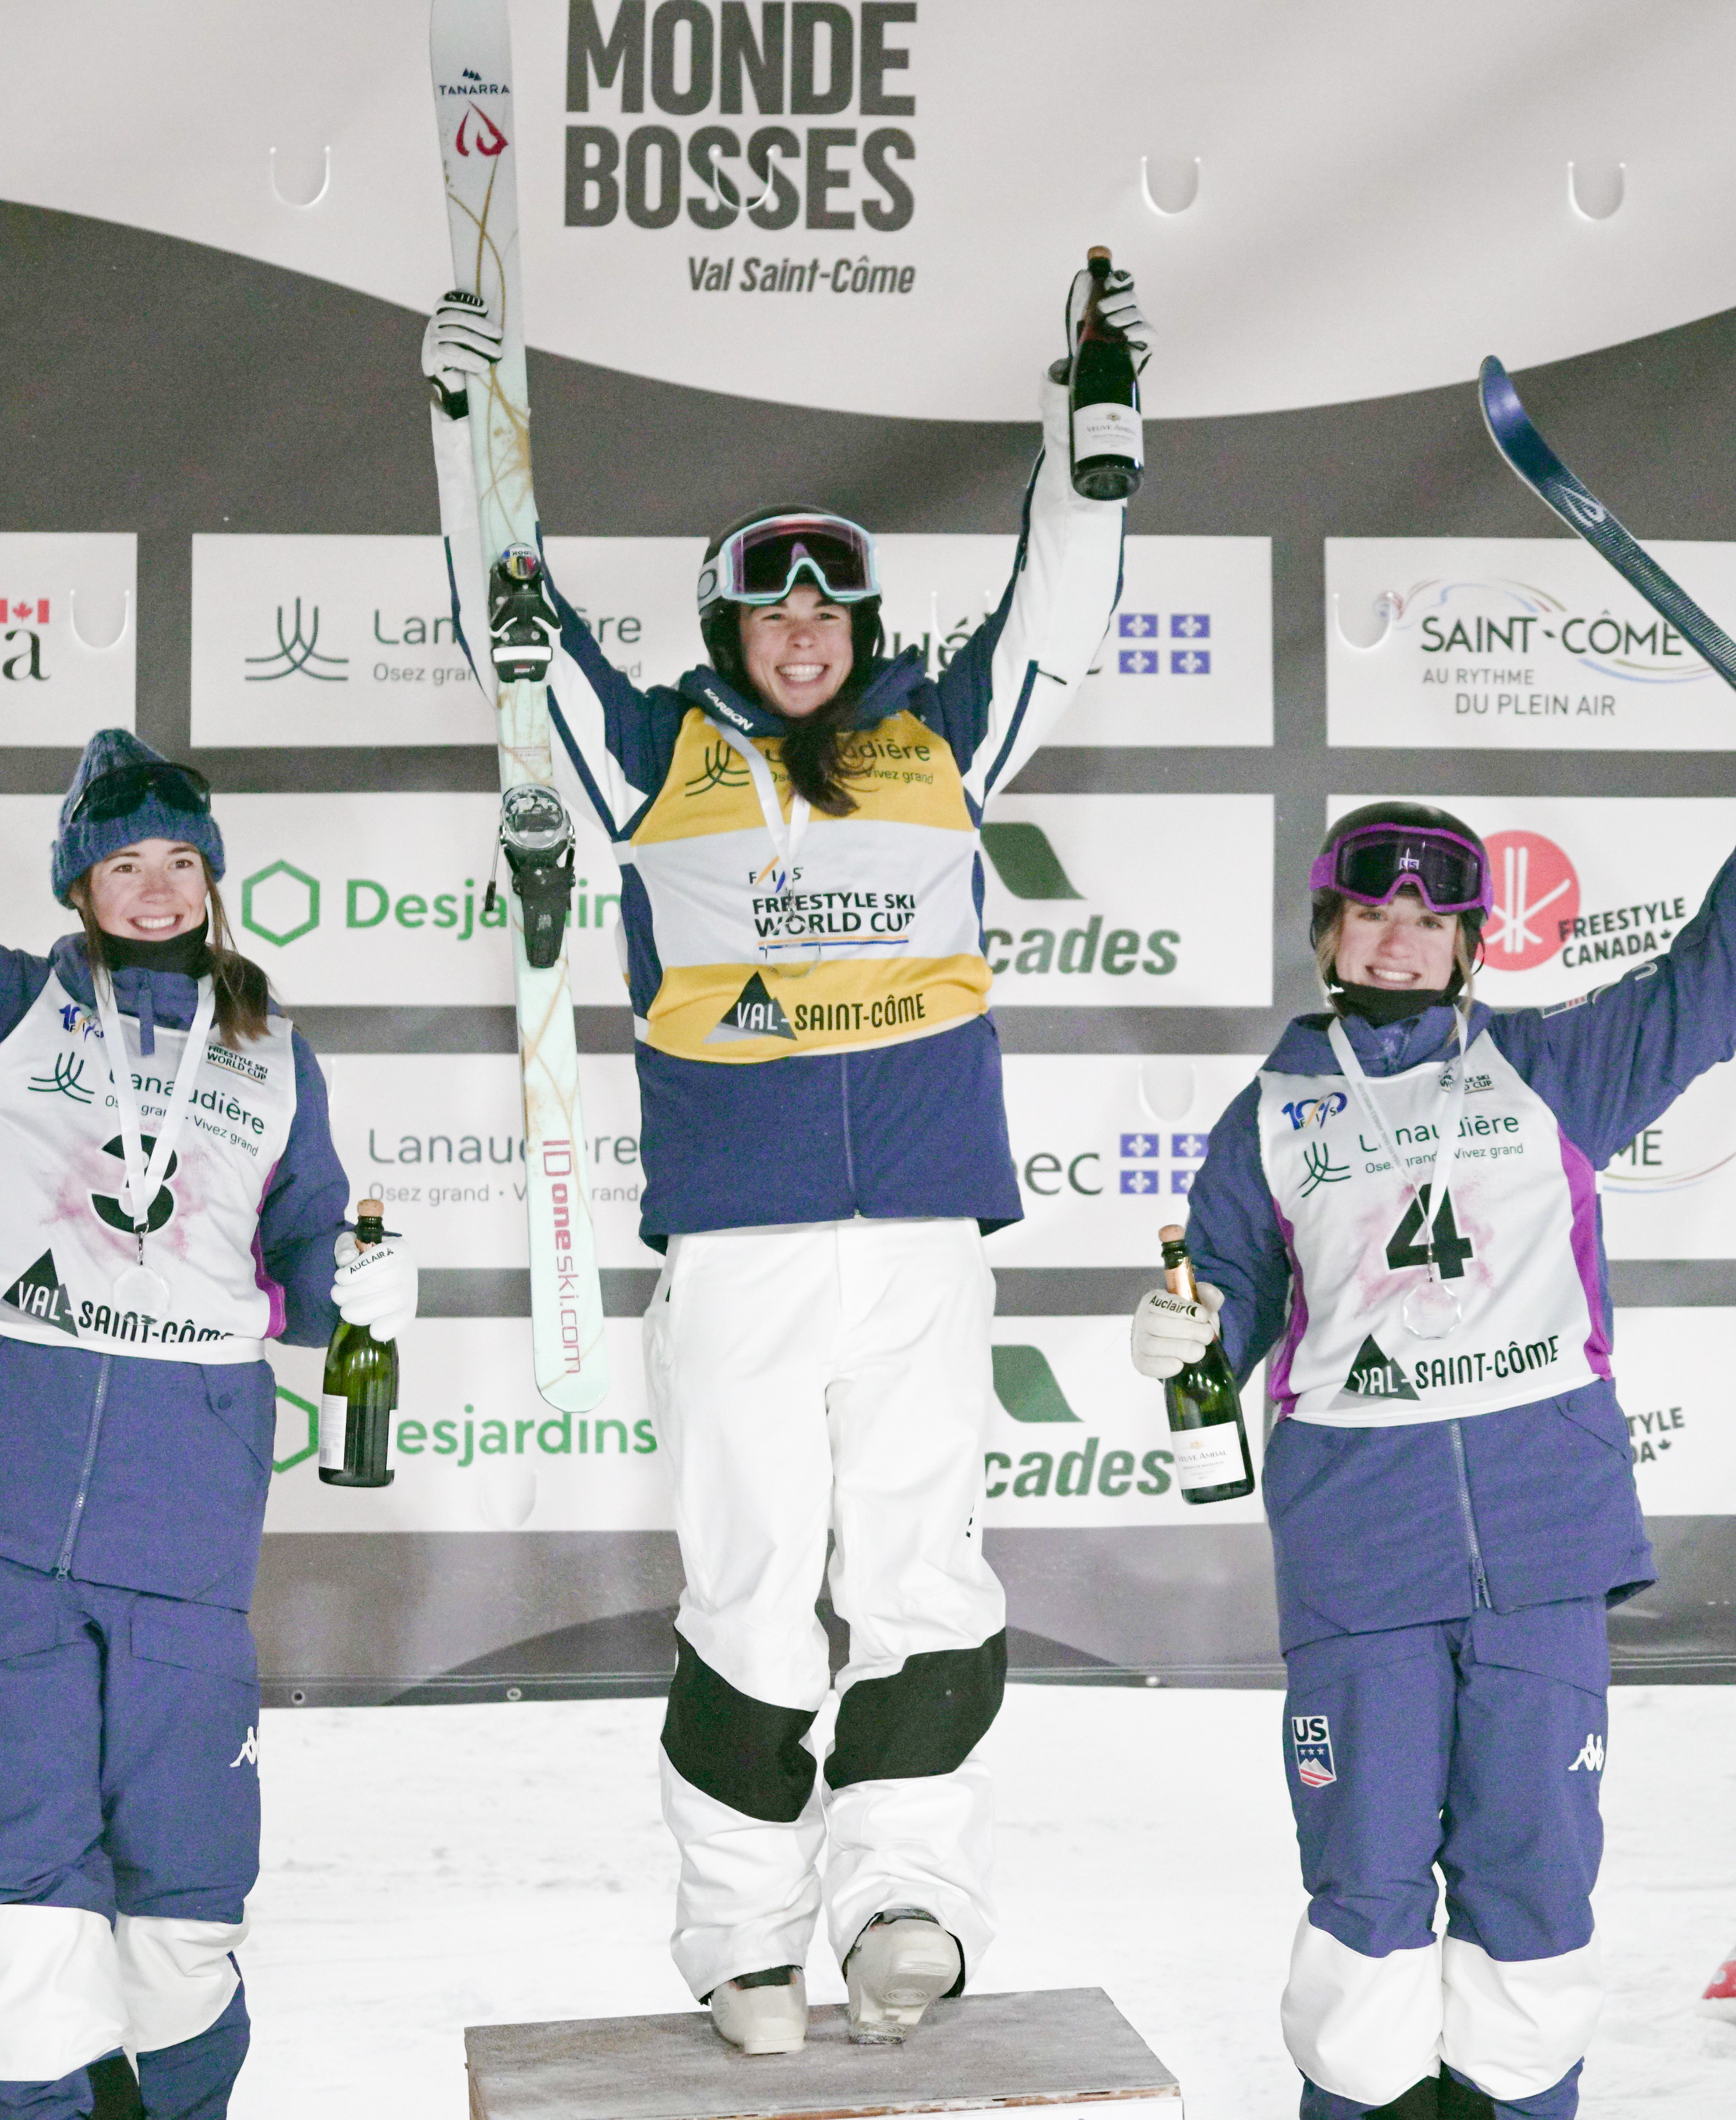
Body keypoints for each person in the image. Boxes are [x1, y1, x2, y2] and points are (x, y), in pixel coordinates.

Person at [419, 263, 1149, 2054]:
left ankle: (905, 1896)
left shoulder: (942, 743)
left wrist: (1093, 434)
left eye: (832, 606)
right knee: (748, 1587)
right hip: (738, 1248)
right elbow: (503, 627)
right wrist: (464, 433)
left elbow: (1064, 601)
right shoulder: (650, 755)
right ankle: (745, 1934)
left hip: (917, 1237)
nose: (804, 632)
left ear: (861, 626)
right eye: (771, 607)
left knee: (922, 1573)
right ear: (728, 627)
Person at [1130, 703, 1736, 2120]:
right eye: (1366, 913)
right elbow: (1221, 1290)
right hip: (1359, 1541)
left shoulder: (1551, 1072)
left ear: (1473, 944)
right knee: (1365, 1870)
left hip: (1539, 1533)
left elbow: (1711, 983)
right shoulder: (1269, 1113)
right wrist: (1191, 1327)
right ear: (1327, 933)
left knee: (1532, 1862)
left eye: (1428, 919)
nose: (1394, 939)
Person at [0, 532, 419, 2120]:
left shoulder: (274, 1059)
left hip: (183, 1517)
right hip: (0, 1498)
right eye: (125, 865)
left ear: (211, 885)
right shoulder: (0, 1013)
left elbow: (306, 1249)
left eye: (181, 865)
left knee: (189, 1882)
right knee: (24, 1868)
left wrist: (363, 1292)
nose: (156, 887)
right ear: (79, 886)